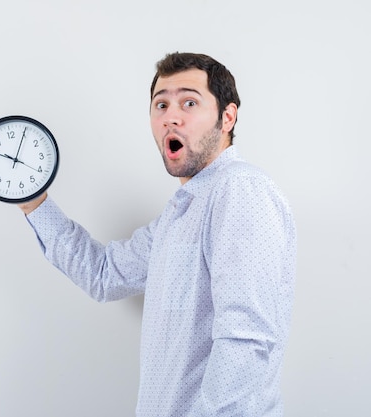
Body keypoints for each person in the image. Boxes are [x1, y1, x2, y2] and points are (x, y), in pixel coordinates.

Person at [18, 52, 296, 417]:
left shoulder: (238, 190)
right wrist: (33, 201)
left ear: (227, 117)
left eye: (189, 102)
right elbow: (103, 274)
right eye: (160, 104)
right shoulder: (178, 215)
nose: (171, 117)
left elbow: (246, 341)